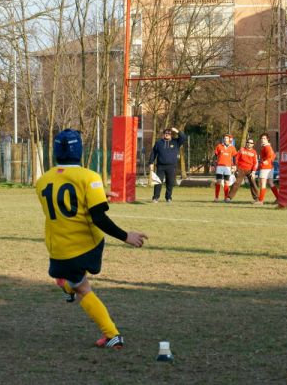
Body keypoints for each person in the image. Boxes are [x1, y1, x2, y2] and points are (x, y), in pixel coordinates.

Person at [36, 129, 148, 349]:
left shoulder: (41, 181)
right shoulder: (90, 177)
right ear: (80, 150)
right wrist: (126, 236)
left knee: (74, 283)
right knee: (81, 287)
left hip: (59, 249)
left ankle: (69, 287)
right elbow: (98, 217)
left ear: (55, 151)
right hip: (87, 246)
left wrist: (97, 197)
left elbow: (66, 199)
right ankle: (112, 334)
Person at [148, 127, 186, 203]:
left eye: (169, 133)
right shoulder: (159, 143)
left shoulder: (176, 142)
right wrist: (151, 162)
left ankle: (168, 197)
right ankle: (155, 198)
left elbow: (183, 137)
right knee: (158, 182)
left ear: (171, 135)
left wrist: (177, 131)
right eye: (166, 133)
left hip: (171, 166)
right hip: (160, 166)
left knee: (170, 182)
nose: (167, 135)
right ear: (163, 134)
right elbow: (153, 153)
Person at [227, 138, 259, 202]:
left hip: (250, 170)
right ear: (246, 143)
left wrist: (253, 172)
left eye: (251, 143)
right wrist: (235, 166)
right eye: (248, 142)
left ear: (253, 144)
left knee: (253, 183)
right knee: (237, 183)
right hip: (241, 169)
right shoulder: (242, 150)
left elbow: (255, 163)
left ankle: (256, 199)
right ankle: (229, 198)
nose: (249, 144)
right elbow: (236, 158)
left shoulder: (254, 152)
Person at [212, 134, 237, 202]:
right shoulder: (219, 146)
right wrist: (212, 165)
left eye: (227, 138)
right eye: (225, 138)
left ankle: (226, 198)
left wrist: (234, 165)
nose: (225, 139)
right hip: (219, 166)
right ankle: (216, 198)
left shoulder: (232, 147)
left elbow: (234, 157)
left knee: (226, 182)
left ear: (229, 139)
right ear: (223, 139)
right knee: (218, 182)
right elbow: (215, 156)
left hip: (227, 167)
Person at [257, 133, 279, 204]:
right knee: (270, 182)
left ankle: (260, 201)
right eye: (262, 138)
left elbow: (271, 155)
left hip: (265, 167)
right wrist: (269, 160)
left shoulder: (267, 147)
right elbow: (274, 155)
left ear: (267, 139)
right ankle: (279, 198)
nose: (263, 140)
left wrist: (266, 161)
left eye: (264, 138)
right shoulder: (267, 146)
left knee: (262, 183)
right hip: (270, 167)